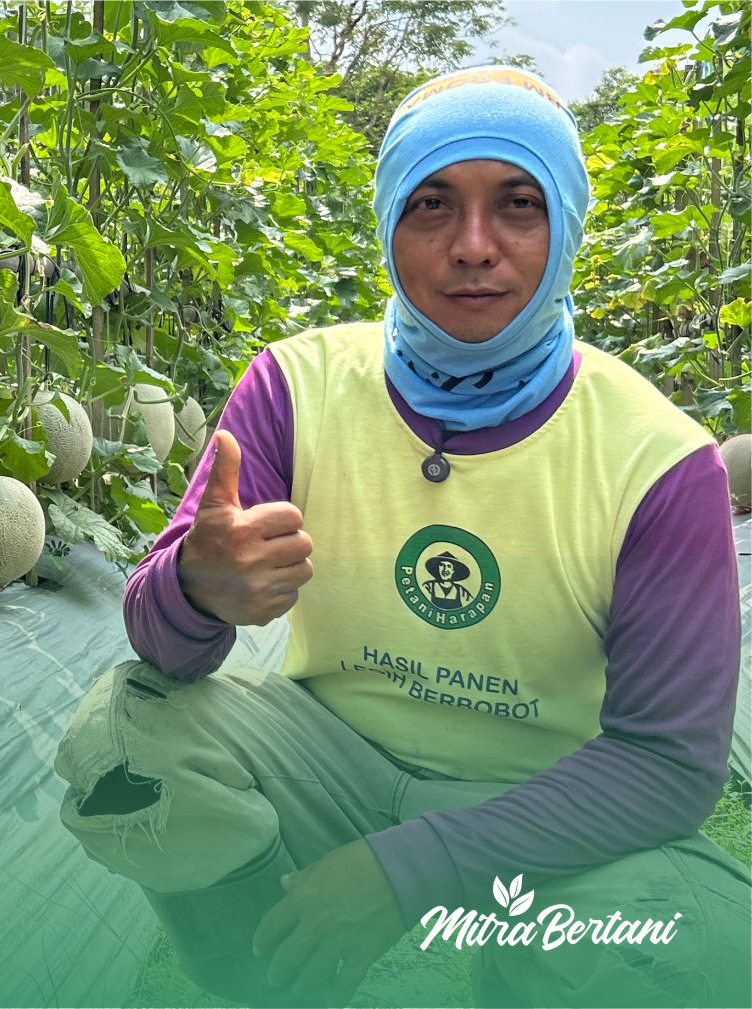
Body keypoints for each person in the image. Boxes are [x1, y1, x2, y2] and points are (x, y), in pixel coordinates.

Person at [54, 66, 749, 1009]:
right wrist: (193, 588)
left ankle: (519, 969)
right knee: (123, 735)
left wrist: (415, 865)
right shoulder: (293, 386)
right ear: (386, 224)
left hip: (549, 806)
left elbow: (666, 765)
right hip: (331, 764)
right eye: (430, 205)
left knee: (666, 960)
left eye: (516, 204)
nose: (472, 247)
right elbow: (158, 644)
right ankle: (272, 985)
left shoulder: (659, 459)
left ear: (567, 227)